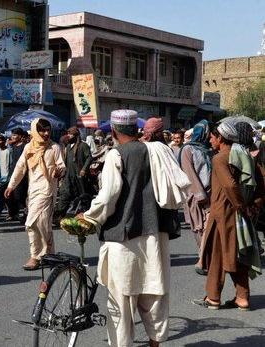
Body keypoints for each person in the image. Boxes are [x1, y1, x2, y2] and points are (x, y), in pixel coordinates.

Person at [77, 110, 182, 347]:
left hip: (124, 238)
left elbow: (108, 197)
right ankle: (155, 343)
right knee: (154, 291)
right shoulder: (157, 150)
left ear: (113, 132)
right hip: (156, 233)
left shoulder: (116, 154)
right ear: (136, 129)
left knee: (122, 298)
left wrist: (89, 216)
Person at [193, 121, 264, 311]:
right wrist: (251, 207)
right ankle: (242, 297)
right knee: (237, 254)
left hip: (223, 214)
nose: (210, 139)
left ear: (221, 138)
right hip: (241, 213)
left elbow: (230, 185)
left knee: (217, 255)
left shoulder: (220, 158)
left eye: (213, 136)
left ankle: (213, 297)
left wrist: (241, 206)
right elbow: (259, 182)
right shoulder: (245, 155)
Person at [5, 118, 65, 270]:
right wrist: (11, 185)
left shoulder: (54, 147)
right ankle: (49, 254)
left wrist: (59, 172)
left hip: (47, 191)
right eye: (42, 130)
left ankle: (35, 256)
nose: (46, 133)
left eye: (48, 130)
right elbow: (20, 168)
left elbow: (61, 166)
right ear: (34, 131)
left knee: (31, 223)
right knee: (44, 225)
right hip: (33, 192)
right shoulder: (28, 148)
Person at [179, 120, 213, 274]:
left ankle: (204, 259)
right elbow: (189, 173)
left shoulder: (209, 149)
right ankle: (203, 258)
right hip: (195, 195)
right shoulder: (188, 149)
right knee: (198, 228)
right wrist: (200, 194)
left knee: (208, 227)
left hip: (211, 194)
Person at [56, 126, 93, 218]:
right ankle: (59, 214)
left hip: (79, 176)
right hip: (68, 175)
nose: (68, 136)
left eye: (70, 134)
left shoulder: (83, 145)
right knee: (64, 193)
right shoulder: (68, 146)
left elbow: (89, 157)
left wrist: (84, 169)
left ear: (76, 136)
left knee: (83, 196)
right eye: (67, 134)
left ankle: (86, 215)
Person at [6, 128, 28, 222]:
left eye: (15, 135)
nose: (13, 137)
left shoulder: (25, 146)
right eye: (12, 135)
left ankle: (25, 213)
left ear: (20, 136)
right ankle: (14, 213)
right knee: (11, 195)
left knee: (20, 195)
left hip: (22, 175)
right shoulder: (13, 146)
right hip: (13, 173)